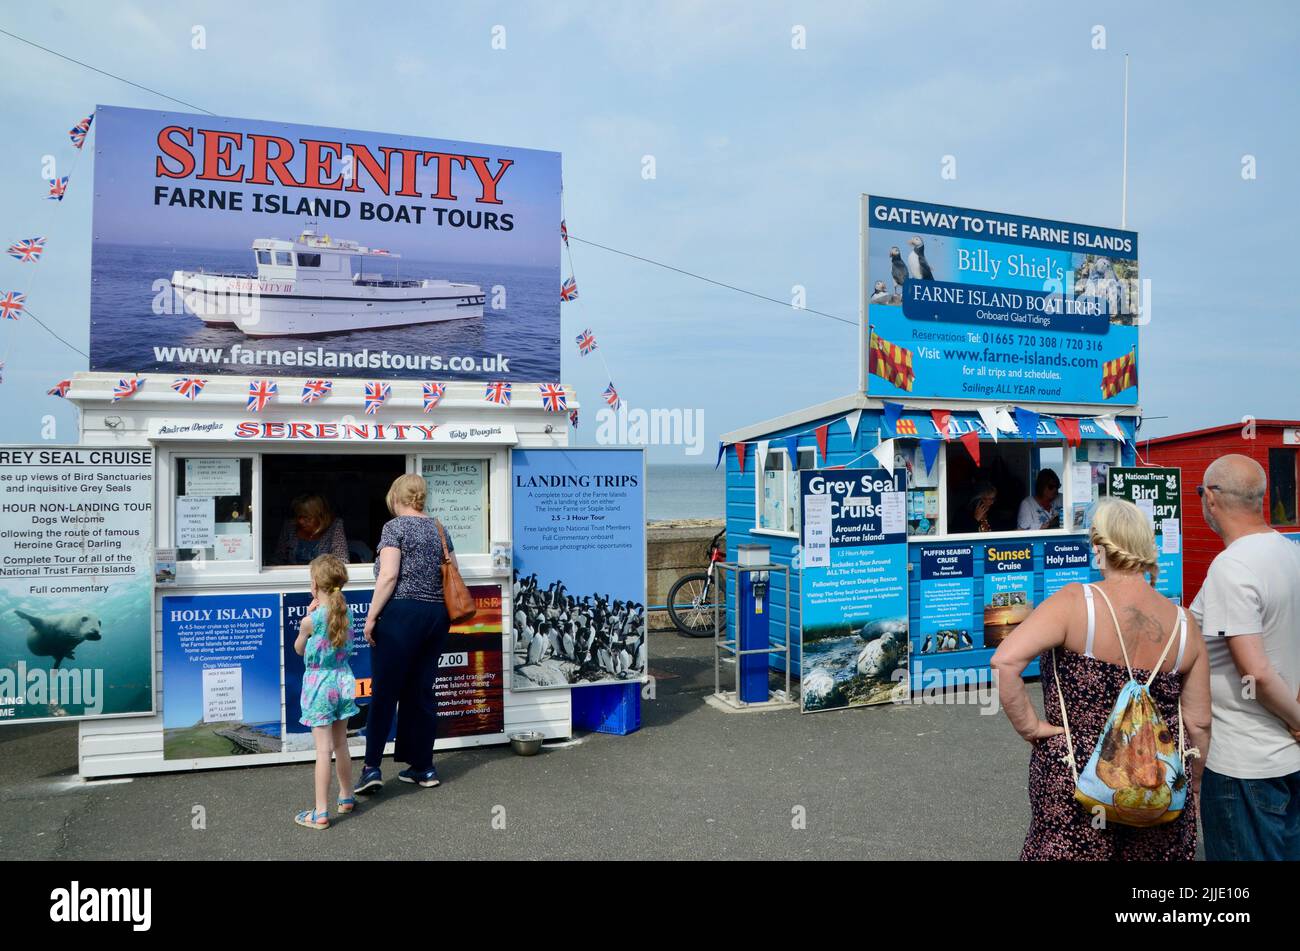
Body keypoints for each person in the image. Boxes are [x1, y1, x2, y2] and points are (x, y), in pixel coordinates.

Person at [991, 497, 1212, 860]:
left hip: (1077, 776)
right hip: (1154, 789)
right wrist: (1194, 782)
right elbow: (1199, 722)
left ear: (1098, 548)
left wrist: (1031, 727)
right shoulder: (1186, 625)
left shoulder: (1076, 603)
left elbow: (1005, 661)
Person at [1191, 454, 1300, 860]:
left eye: (1201, 492)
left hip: (1244, 765)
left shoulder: (1231, 567)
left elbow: (1255, 670)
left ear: (1213, 499)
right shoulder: (1289, 552)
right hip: (1285, 761)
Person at [354, 474, 456, 794]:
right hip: (437, 615)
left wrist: (371, 618)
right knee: (421, 690)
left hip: (402, 614)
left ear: (396, 496)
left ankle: (371, 768)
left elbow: (389, 576)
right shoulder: (440, 528)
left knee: (385, 691)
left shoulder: (394, 528)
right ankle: (423, 767)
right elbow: (451, 574)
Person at [292, 554, 360, 830]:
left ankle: (320, 812)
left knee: (323, 751)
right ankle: (346, 797)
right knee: (341, 743)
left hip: (319, 686)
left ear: (314, 585)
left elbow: (299, 649)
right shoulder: (348, 613)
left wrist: (303, 624)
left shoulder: (312, 620)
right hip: (343, 681)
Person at [274, 494, 349, 566]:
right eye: (299, 516)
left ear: (320, 516)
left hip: (322, 578)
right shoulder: (290, 526)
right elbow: (277, 560)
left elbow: (342, 561)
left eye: (307, 517)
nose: (301, 521)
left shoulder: (334, 526)